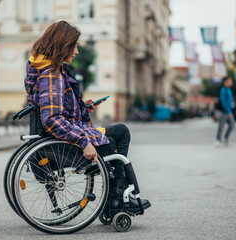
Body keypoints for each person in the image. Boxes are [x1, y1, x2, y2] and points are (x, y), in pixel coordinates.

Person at [25, 21, 150, 212]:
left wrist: (82, 106)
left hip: (64, 134)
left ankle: (115, 195)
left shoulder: (48, 69)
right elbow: (51, 119)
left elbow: (55, 107)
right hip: (63, 143)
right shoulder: (51, 75)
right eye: (74, 46)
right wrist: (84, 142)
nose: (76, 51)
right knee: (112, 141)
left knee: (121, 131)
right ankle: (116, 199)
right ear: (63, 45)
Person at [215, 76, 235, 147]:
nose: (231, 82)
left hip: (228, 111)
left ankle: (226, 139)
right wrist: (228, 112)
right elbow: (224, 102)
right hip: (224, 111)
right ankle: (218, 140)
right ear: (225, 82)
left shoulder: (229, 90)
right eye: (230, 81)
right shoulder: (223, 90)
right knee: (221, 125)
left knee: (232, 125)